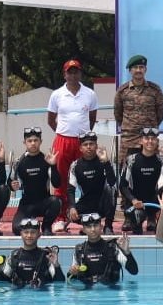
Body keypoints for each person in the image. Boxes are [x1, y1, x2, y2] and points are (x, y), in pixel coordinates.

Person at [114, 54, 163, 230]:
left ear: (145, 69)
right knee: (126, 179)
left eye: (141, 67)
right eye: (135, 68)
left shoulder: (155, 90)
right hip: (129, 140)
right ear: (130, 70)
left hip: (149, 140)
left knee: (150, 178)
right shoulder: (122, 91)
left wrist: (149, 132)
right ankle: (128, 216)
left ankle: (151, 216)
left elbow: (161, 113)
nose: (138, 70)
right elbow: (118, 115)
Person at [47, 58, 99, 230]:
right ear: (65, 74)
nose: (73, 74)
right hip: (63, 140)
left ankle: (87, 218)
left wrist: (83, 137)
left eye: (76, 71)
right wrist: (65, 132)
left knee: (87, 178)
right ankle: (60, 218)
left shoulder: (90, 94)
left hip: (83, 142)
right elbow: (51, 120)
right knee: (61, 179)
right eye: (70, 71)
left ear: (80, 73)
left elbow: (92, 119)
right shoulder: (56, 94)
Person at [9, 127, 62, 235]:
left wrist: (53, 166)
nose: (33, 143)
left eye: (36, 140)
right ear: (24, 142)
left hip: (44, 202)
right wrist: (11, 186)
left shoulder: (46, 159)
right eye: (30, 141)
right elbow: (9, 183)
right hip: (26, 205)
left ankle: (46, 226)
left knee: (56, 202)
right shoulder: (19, 162)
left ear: (40, 142)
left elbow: (57, 184)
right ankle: (34, 226)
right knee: (16, 229)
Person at [119, 127, 163, 234]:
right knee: (137, 231)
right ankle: (133, 221)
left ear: (157, 142)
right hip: (136, 203)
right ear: (141, 141)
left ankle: (158, 222)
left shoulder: (160, 159)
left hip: (152, 201)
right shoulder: (131, 160)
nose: (150, 141)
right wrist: (133, 200)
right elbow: (123, 185)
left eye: (153, 139)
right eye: (147, 139)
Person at [67, 212, 139, 286]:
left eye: (95, 225)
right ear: (84, 230)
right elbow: (71, 278)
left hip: (111, 294)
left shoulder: (113, 248)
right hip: (87, 294)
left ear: (101, 227)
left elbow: (134, 271)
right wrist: (72, 272)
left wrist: (127, 252)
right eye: (89, 227)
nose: (93, 229)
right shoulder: (79, 250)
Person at [67, 132, 118, 234]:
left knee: (112, 189)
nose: (89, 147)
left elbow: (113, 182)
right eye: (85, 145)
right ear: (80, 148)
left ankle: (108, 226)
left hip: (102, 205)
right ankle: (90, 225)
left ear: (96, 146)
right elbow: (70, 189)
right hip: (85, 204)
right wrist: (72, 207)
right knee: (70, 214)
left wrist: (106, 163)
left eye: (91, 144)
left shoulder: (104, 161)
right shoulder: (75, 165)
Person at [0, 218, 64, 288]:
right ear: (21, 234)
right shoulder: (14, 256)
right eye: (26, 232)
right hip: (18, 297)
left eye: (33, 232)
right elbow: (1, 283)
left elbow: (60, 283)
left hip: (42, 296)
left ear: (39, 235)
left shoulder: (47, 256)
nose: (29, 235)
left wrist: (56, 265)